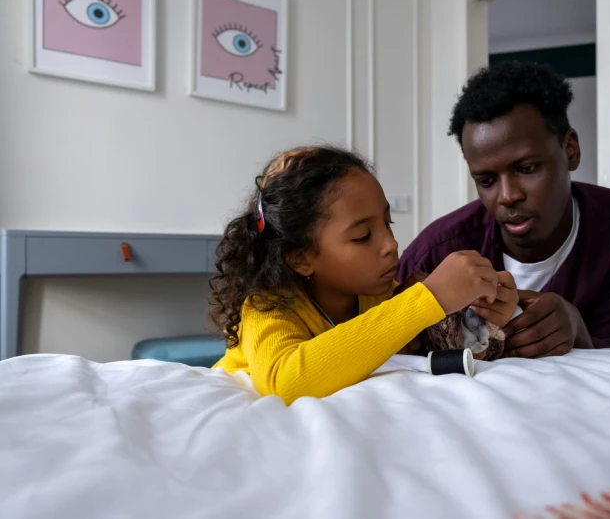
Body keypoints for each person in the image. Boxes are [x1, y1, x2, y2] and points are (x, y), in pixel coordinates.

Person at [210, 146, 518, 405]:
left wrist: (482, 319)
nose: (391, 245)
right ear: (300, 257)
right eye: (362, 236)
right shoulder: (266, 306)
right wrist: (428, 300)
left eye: (388, 223)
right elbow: (288, 383)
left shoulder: (378, 294)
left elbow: (438, 345)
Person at [397, 62, 610, 357]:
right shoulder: (434, 254)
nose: (508, 196)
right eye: (486, 180)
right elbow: (394, 349)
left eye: (527, 168)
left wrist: (577, 329)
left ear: (570, 151)